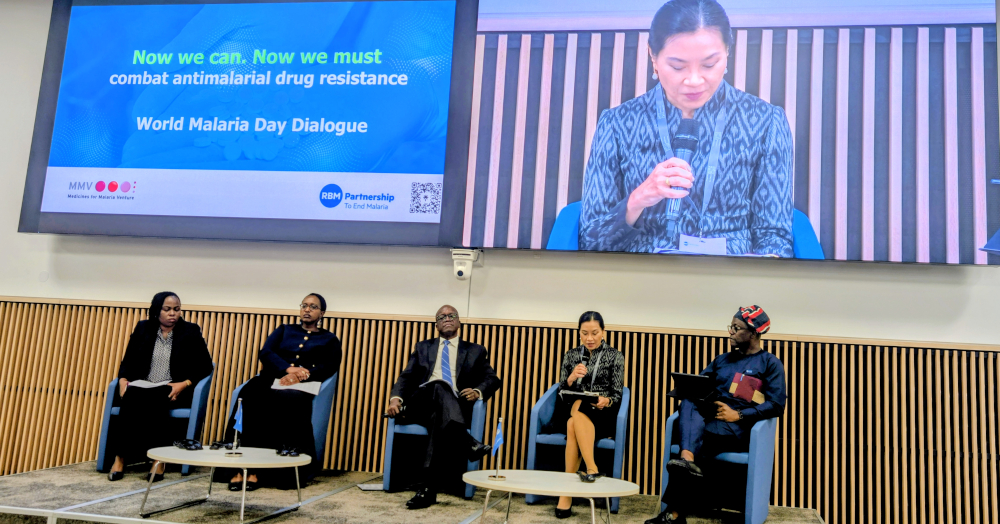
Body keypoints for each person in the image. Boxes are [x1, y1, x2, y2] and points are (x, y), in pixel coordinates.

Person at [580, 0, 793, 256]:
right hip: (642, 278)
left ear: (727, 53)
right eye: (678, 66)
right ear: (654, 57)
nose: (694, 80)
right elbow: (590, 242)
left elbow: (775, 239)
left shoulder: (766, 122)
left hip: (731, 277)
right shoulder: (617, 124)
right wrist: (637, 200)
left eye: (709, 64)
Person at [645, 306, 786, 524]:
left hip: (738, 425)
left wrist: (738, 415)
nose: (730, 332)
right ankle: (687, 460)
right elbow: (700, 385)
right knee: (689, 401)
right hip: (711, 416)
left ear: (754, 333)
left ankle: (674, 513)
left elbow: (776, 405)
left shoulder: (770, 363)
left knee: (695, 438)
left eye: (737, 328)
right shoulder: (723, 360)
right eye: (731, 327)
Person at [385, 305, 501, 510]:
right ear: (436, 325)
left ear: (459, 322)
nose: (447, 318)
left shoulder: (475, 350)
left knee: (437, 418)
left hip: (452, 408)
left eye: (451, 315)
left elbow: (492, 378)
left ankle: (427, 490)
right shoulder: (422, 347)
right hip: (419, 404)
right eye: (441, 317)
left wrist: (477, 391)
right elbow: (406, 376)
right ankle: (468, 442)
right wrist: (396, 399)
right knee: (438, 384)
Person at [225, 293, 342, 491]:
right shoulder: (284, 330)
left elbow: (330, 365)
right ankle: (242, 467)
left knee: (288, 399)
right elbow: (266, 353)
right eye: (304, 305)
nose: (307, 309)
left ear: (322, 313)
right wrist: (288, 370)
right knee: (249, 395)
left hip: (303, 385)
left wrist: (301, 375)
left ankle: (273, 472)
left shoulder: (329, 339)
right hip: (271, 378)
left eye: (313, 307)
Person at [107, 292, 213, 482]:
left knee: (157, 396)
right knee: (132, 394)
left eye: (177, 309)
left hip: (172, 387)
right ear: (157, 310)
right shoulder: (143, 328)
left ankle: (158, 459)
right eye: (167, 309)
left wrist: (184, 383)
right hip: (143, 384)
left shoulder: (190, 331)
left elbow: (205, 365)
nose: (173, 313)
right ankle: (120, 458)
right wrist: (123, 379)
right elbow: (128, 359)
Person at [553, 312, 625, 519]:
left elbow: (617, 393)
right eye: (585, 333)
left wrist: (606, 400)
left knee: (572, 423)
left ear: (603, 332)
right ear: (579, 334)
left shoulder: (615, 355)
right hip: (573, 408)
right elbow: (560, 389)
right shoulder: (572, 354)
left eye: (594, 333)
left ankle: (565, 495)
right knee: (577, 407)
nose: (590, 338)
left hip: (602, 412)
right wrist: (571, 378)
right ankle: (592, 468)